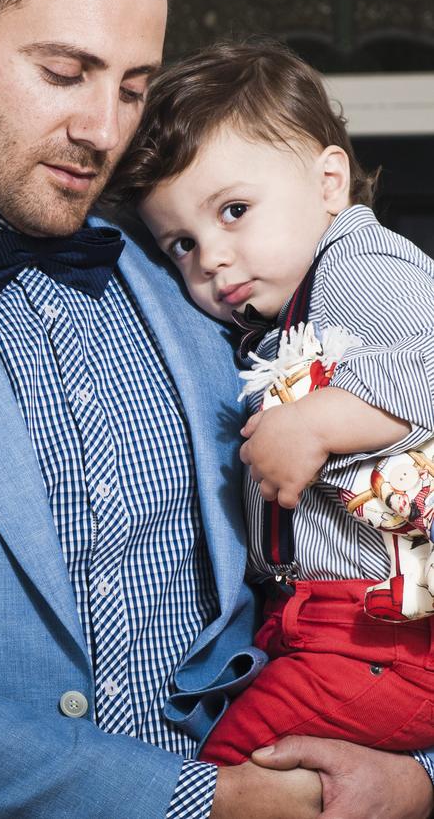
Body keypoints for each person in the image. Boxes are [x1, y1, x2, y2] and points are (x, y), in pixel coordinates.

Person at [0, 0, 430, 815]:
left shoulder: (207, 272)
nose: (103, 128)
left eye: (133, 88)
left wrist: (420, 774)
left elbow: (367, 535)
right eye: (64, 72)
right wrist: (210, 800)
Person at [109, 38, 434, 769]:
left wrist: (315, 423)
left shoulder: (360, 267)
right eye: (181, 245)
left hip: (386, 634)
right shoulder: (284, 313)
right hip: (332, 628)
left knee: (233, 768)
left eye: (233, 210)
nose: (211, 258)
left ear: (328, 182)